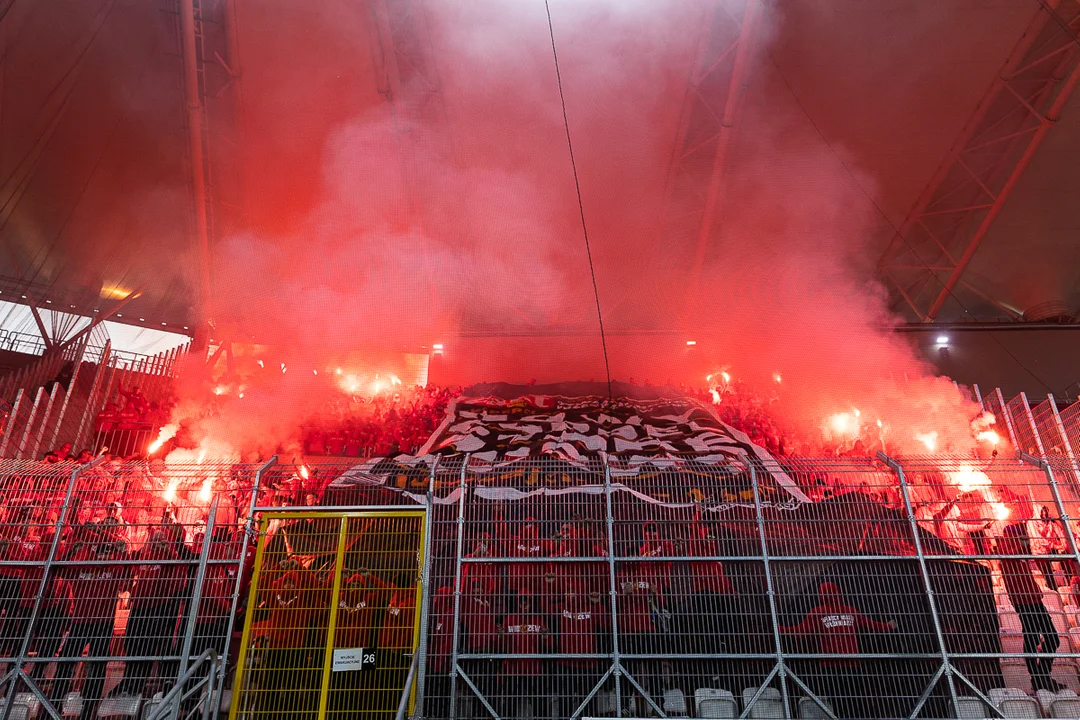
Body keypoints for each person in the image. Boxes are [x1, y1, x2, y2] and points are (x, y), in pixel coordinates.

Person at [779, 581, 897, 718]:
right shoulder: (850, 611)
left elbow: (801, 632)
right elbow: (870, 624)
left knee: (833, 701)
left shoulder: (818, 613)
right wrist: (888, 626)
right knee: (853, 702)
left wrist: (779, 629)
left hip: (830, 666)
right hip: (852, 665)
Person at [52, 536, 133, 719]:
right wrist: (72, 551)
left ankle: (89, 708)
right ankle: (56, 702)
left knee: (97, 667)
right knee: (66, 663)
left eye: (106, 552)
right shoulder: (81, 566)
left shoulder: (113, 569)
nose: (103, 556)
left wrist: (124, 553)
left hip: (102, 624)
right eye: (100, 551)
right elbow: (56, 569)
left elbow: (128, 579)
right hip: (79, 623)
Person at [117, 531, 186, 696]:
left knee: (153, 645)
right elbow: (130, 571)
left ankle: (159, 684)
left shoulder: (171, 556)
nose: (156, 542)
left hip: (158, 606)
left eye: (160, 539)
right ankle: (130, 680)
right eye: (154, 539)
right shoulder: (144, 555)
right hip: (139, 606)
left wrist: (168, 550)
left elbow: (178, 568)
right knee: (131, 644)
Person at [999, 522, 1065, 692]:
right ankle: (1038, 678)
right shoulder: (1007, 551)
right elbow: (1019, 552)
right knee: (1034, 637)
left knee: (1048, 638)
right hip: (1024, 601)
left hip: (1033, 599)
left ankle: (1042, 676)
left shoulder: (1017, 551)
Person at [500, 590, 548, 718]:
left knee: (538, 702)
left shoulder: (538, 619)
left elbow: (549, 645)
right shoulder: (509, 618)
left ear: (531, 603)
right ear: (518, 603)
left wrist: (546, 636)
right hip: (513, 668)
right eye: (521, 601)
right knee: (511, 702)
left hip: (534, 668)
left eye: (526, 601)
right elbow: (503, 646)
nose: (524, 604)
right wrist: (501, 636)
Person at [1030, 506, 1069, 589]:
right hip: (1039, 553)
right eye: (1042, 513)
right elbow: (1038, 540)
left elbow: (1060, 532)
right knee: (1049, 576)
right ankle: (1054, 593)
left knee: (1066, 558)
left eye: (1045, 512)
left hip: (1050, 549)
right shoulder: (1032, 523)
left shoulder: (1050, 522)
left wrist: (1064, 544)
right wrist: (1056, 545)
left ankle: (1069, 585)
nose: (1044, 514)